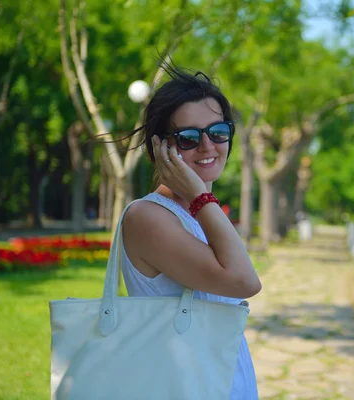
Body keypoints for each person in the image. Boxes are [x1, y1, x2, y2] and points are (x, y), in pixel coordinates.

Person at [118, 64, 262, 399]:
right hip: (180, 384)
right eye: (188, 138)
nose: (208, 146)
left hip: (223, 373)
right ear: (159, 147)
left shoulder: (201, 213)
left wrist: (201, 200)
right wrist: (201, 195)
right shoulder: (147, 217)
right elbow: (245, 282)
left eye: (218, 132)